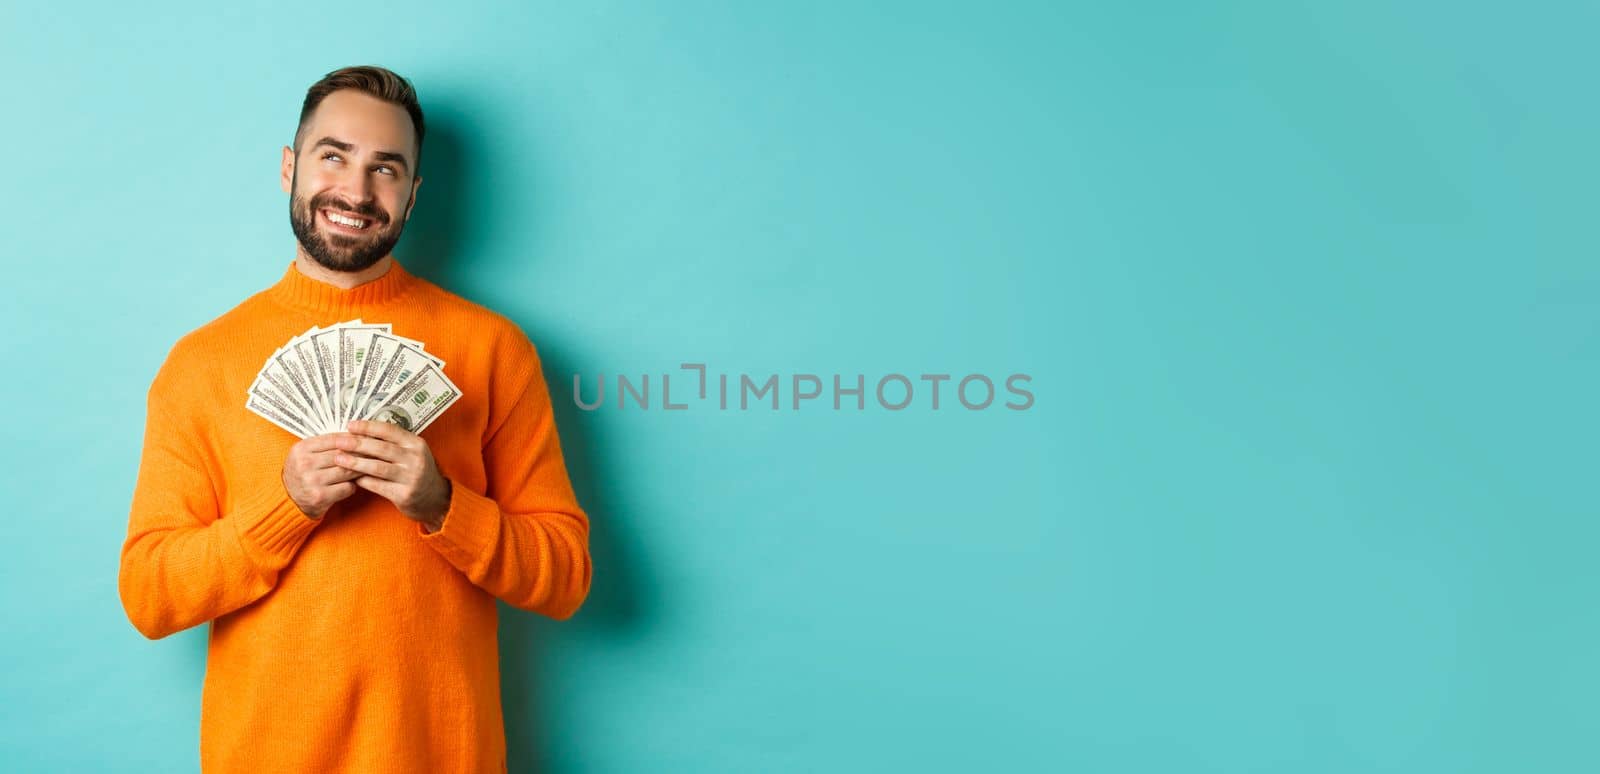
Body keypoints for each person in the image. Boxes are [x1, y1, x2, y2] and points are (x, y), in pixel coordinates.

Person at [117, 65, 592, 773]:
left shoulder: (493, 350)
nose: (356, 192)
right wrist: (285, 507)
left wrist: (444, 505)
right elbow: (151, 596)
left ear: (413, 194)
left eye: (387, 169)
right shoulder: (201, 364)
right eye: (333, 156)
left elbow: (565, 577)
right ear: (290, 167)